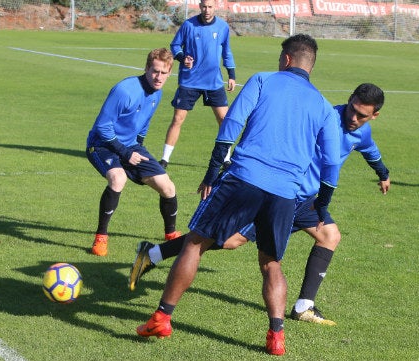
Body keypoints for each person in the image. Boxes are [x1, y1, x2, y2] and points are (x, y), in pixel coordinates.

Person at [135, 34, 341, 357]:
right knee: (271, 263)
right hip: (286, 194)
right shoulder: (324, 107)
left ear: (286, 59)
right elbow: (331, 166)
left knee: (195, 242)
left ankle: (162, 317)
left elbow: (230, 125)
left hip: (244, 178)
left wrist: (212, 173)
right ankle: (276, 336)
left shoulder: (262, 80)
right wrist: (322, 205)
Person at [129, 83, 390, 327]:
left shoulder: (361, 132)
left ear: (374, 116)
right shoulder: (326, 119)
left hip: (307, 201)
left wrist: (383, 173)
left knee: (330, 236)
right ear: (349, 100)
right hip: (282, 195)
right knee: (229, 240)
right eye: (352, 110)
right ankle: (152, 254)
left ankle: (303, 306)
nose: (354, 118)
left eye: (362, 116)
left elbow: (371, 151)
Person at [86, 48, 181, 257]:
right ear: (146, 68)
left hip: (130, 146)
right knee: (118, 179)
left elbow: (143, 124)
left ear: (170, 73)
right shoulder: (125, 90)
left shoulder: (158, 92)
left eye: (164, 73)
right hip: (101, 144)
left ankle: (171, 234)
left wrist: (137, 147)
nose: (159, 77)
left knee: (167, 187)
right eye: (155, 71)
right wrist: (125, 153)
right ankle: (101, 237)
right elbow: (103, 127)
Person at [160, 0, 236, 168]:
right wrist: (182, 58)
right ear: (199, 6)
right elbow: (175, 45)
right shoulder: (189, 25)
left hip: (213, 82)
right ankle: (164, 159)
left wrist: (231, 74)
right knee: (178, 119)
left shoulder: (223, 27)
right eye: (204, 6)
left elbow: (227, 52)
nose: (206, 10)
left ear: (215, 7)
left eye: (210, 7)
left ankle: (226, 159)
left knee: (224, 120)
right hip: (190, 80)